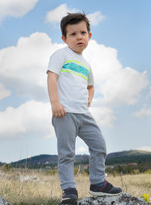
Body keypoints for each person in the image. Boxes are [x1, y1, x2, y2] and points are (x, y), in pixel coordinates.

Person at [47, 13, 122, 205]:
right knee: (67, 153)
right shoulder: (60, 55)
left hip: (84, 115)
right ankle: (69, 190)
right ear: (64, 38)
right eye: (73, 34)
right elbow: (52, 77)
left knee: (99, 146)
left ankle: (98, 183)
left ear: (89, 36)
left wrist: (89, 98)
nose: (79, 37)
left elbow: (91, 86)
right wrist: (55, 103)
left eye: (83, 32)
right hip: (64, 114)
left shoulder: (86, 65)